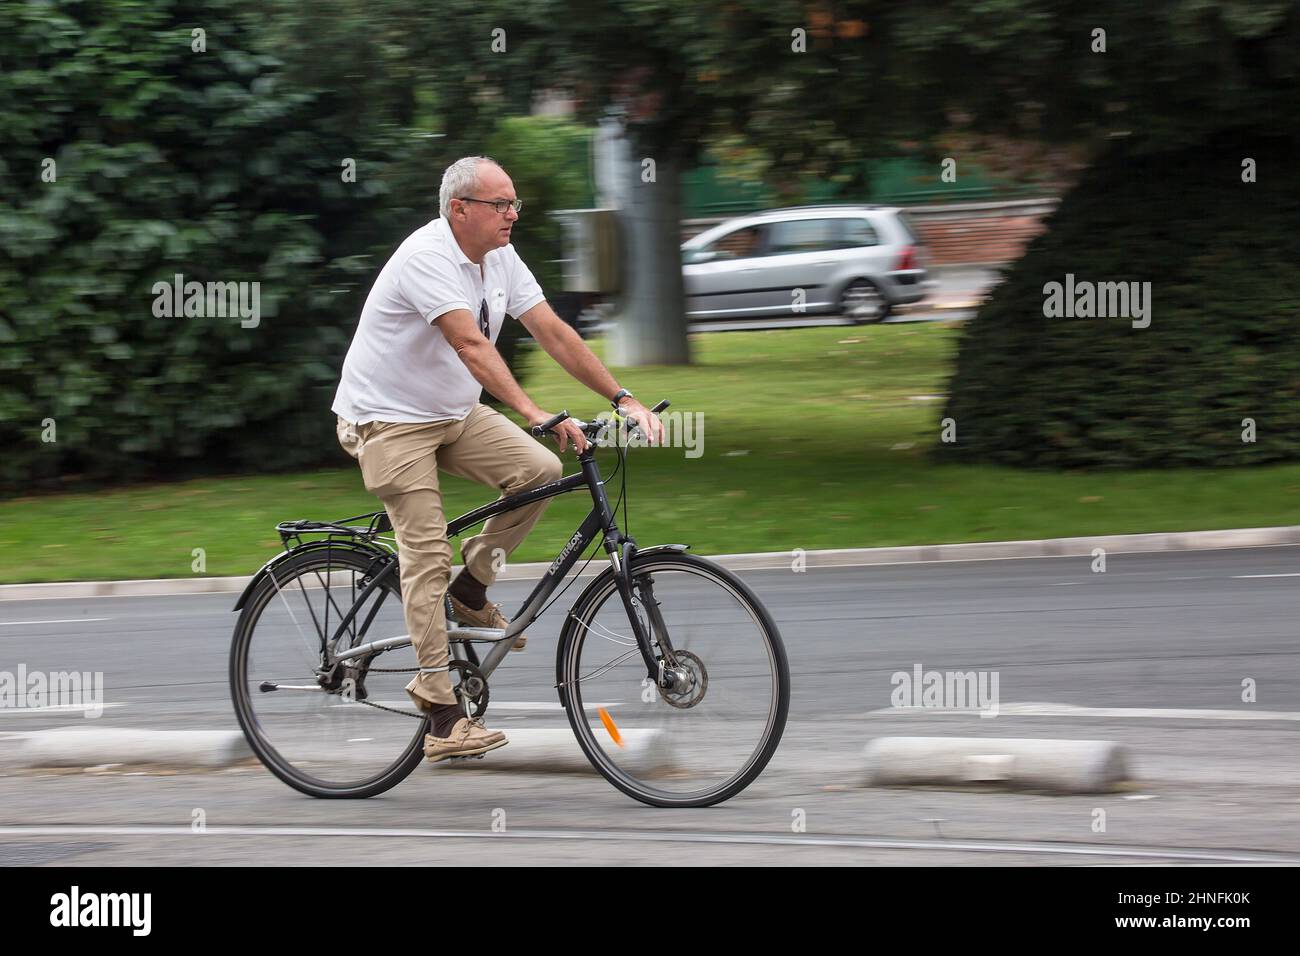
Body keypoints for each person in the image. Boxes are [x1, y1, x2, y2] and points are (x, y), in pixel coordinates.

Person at [332, 155, 664, 762]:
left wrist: (623, 397)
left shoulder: (498, 257)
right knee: (425, 550)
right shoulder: (428, 257)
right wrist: (534, 412)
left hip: (450, 412)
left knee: (538, 472)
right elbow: (468, 342)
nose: (513, 214)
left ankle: (470, 586)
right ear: (460, 209)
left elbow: (553, 331)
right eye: (500, 204)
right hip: (387, 420)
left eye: (515, 204)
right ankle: (439, 713)